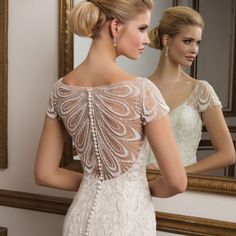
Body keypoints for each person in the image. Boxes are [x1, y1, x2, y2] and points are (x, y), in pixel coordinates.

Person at [35, 1, 187, 235]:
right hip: (127, 221)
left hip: (78, 220)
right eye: (142, 28)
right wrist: (133, 188)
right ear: (116, 27)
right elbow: (177, 182)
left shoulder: (60, 90)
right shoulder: (142, 91)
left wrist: (93, 185)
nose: (147, 39)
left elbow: (45, 174)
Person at [146, 6, 235, 173]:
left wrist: (177, 173)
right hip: (142, 187)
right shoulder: (140, 89)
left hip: (184, 192)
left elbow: (227, 154)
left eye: (197, 42)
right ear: (167, 40)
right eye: (188, 41)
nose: (194, 49)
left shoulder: (201, 90)